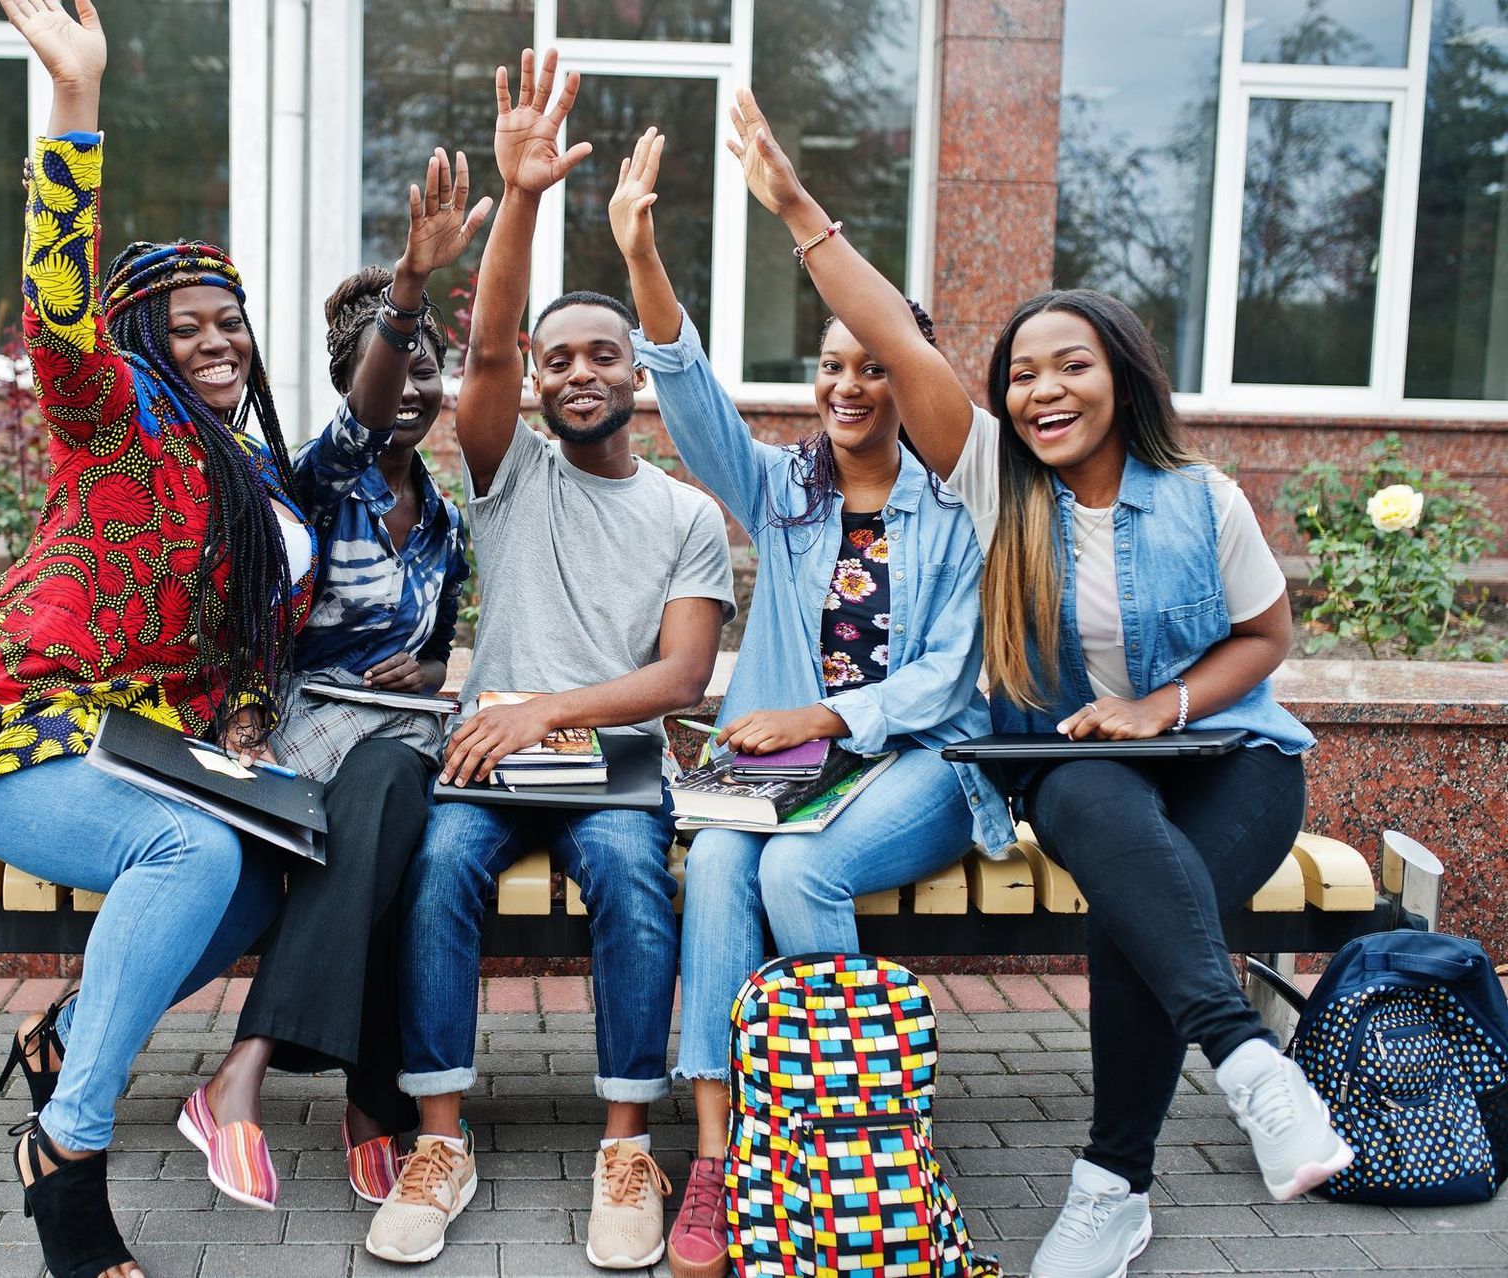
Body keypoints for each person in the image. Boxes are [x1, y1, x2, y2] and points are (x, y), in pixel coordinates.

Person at [719, 88, 1349, 1278]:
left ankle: (1118, 1184)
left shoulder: (1203, 499)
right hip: (1076, 769)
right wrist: (799, 209)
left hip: (1233, 762)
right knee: (1108, 833)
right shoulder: (994, 482)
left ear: (1124, 377)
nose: (1043, 391)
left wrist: (1160, 707)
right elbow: (899, 346)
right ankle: (1241, 1075)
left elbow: (1265, 641)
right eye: (1021, 375)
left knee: (1147, 911)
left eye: (1073, 366)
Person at [0, 1, 413, 1272]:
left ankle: (66, 1037)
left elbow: (248, 640)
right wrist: (75, 108)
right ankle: (67, 1151)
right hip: (11, 734)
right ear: (143, 347)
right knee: (192, 853)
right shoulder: (114, 412)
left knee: (251, 881)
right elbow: (56, 316)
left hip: (144, 749)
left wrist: (247, 731)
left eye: (228, 321)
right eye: (187, 327)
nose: (216, 342)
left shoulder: (257, 471)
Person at [606, 126, 1015, 1278]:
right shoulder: (785, 492)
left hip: (926, 764)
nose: (847, 383)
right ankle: (722, 1161)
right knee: (729, 865)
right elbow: (688, 404)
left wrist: (826, 718)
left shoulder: (965, 502)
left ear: (914, 378)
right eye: (833, 365)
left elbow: (951, 675)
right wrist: (641, 256)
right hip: (784, 772)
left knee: (795, 868)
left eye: (875, 364)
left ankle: (854, 1142)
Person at [363, 48, 734, 1272]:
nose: (578, 373)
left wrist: (546, 712)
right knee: (441, 872)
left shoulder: (683, 514)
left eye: (602, 356)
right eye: (556, 358)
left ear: (638, 376)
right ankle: (439, 1138)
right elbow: (479, 361)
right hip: (487, 757)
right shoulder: (506, 474)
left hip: (609, 765)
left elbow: (682, 679)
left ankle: (626, 1140)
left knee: (638, 886)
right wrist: (519, 195)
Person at [183, 174, 486, 1207]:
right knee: (387, 806)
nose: (410, 388)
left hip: (396, 736)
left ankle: (255, 1073)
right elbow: (363, 410)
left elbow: (442, 644)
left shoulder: (444, 518)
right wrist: (410, 284)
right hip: (306, 739)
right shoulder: (321, 472)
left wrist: (436, 667)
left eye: (426, 370)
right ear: (353, 383)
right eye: (389, 372)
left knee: (392, 809)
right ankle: (364, 1104)